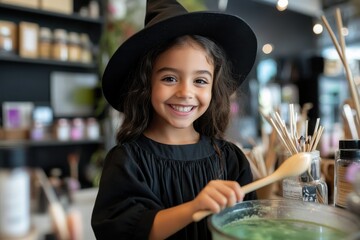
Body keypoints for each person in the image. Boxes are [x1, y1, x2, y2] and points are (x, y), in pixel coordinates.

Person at [91, 0, 258, 239]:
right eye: (169, 78)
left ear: (214, 88)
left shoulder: (231, 159)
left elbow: (249, 226)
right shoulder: (127, 161)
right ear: (146, 84)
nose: (185, 93)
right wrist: (193, 208)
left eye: (200, 81)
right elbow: (123, 230)